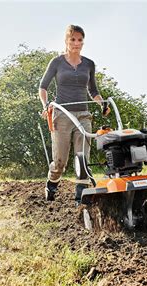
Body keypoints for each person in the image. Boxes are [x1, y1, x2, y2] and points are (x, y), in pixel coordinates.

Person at [39, 24, 110, 204]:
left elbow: (93, 91)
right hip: (62, 115)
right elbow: (43, 87)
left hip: (83, 115)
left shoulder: (89, 64)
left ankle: (80, 197)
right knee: (60, 162)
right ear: (66, 41)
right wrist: (46, 104)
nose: (76, 43)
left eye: (79, 40)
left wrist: (102, 104)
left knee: (82, 158)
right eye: (73, 39)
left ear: (83, 42)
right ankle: (52, 183)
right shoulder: (57, 62)